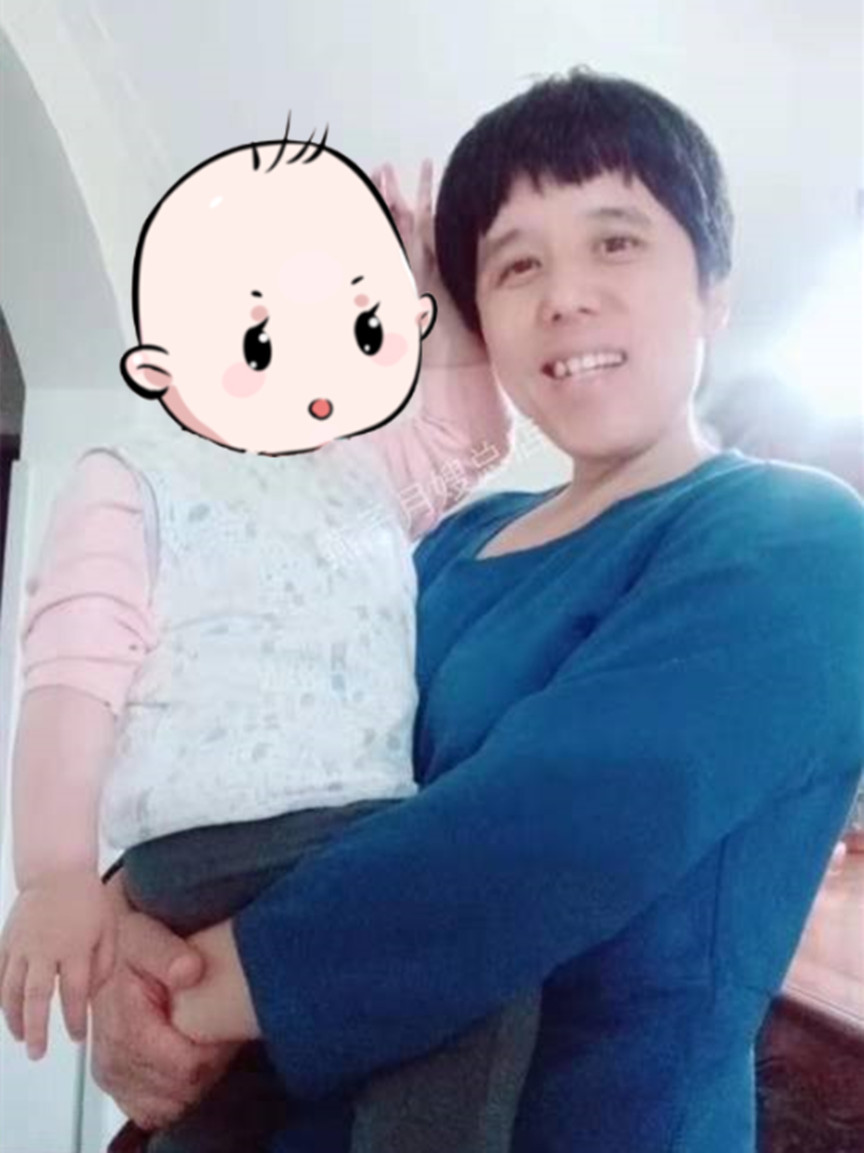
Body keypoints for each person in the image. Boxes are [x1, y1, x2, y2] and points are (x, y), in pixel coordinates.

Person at [91, 70, 864, 1153]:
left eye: (616, 241)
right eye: (515, 266)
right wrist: (120, 920)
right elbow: (254, 740)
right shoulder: (446, 542)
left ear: (713, 290)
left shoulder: (798, 534)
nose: (566, 295)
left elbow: (534, 843)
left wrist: (179, 994)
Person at [0, 129, 527, 1153]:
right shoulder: (135, 481)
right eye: (260, 344)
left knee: (237, 1086)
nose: (322, 373)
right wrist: (55, 873)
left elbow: (468, 438)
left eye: (361, 328)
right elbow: (70, 680)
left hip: (336, 835)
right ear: (160, 367)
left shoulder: (363, 474)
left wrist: (437, 291)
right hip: (224, 838)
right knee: (476, 947)